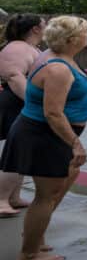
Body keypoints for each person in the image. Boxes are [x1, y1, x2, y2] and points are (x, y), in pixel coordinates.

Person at [0, 16, 87, 260]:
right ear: (72, 40)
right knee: (46, 195)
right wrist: (75, 143)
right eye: (85, 33)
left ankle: (35, 236)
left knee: (56, 189)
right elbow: (53, 112)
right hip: (45, 134)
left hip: (48, 133)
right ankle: (29, 253)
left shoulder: (55, 55)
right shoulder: (58, 69)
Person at [0, 15, 46, 217]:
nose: (47, 28)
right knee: (15, 154)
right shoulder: (16, 48)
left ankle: (13, 197)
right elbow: (14, 77)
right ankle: (1, 201)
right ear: (35, 29)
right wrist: (34, 103)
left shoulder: (27, 47)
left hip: (23, 103)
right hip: (17, 103)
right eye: (45, 25)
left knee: (22, 153)